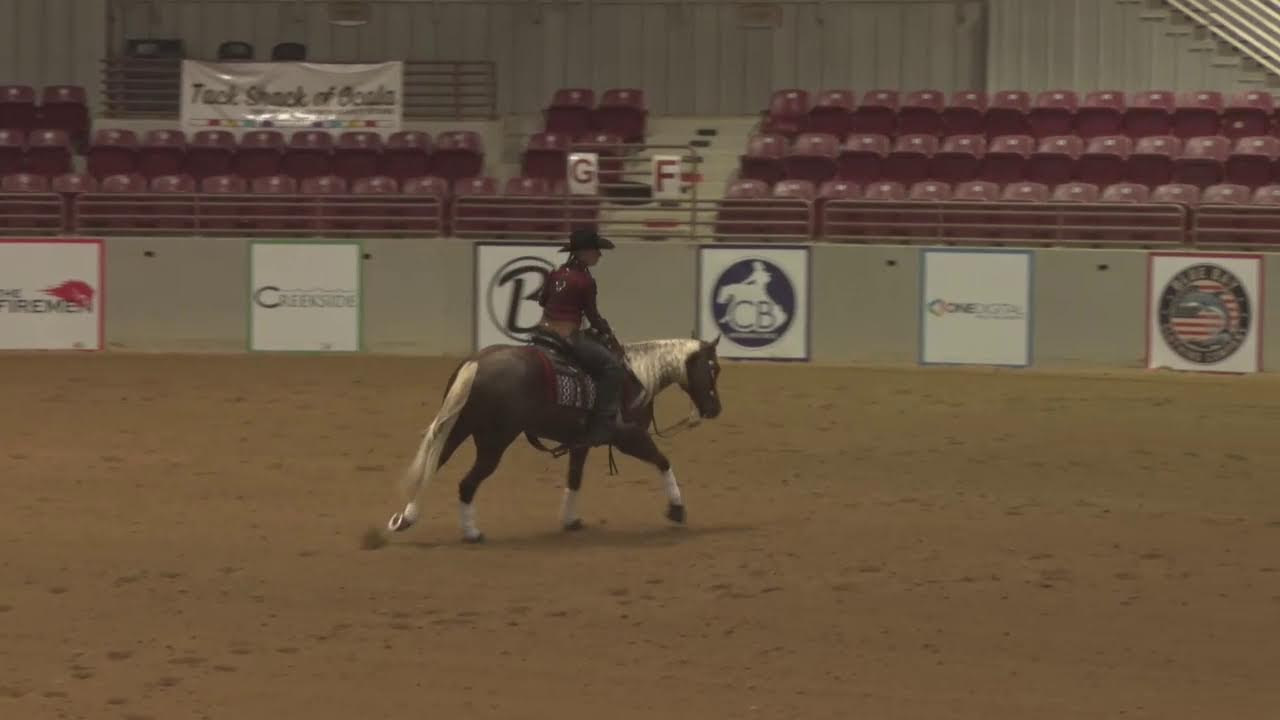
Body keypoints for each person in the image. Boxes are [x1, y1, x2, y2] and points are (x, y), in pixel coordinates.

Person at [536, 229, 634, 446]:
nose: (600, 255)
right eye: (596, 251)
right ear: (584, 253)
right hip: (567, 337)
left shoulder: (556, 274)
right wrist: (607, 330)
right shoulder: (585, 281)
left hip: (542, 333)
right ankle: (601, 426)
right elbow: (592, 316)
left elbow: (543, 301)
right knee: (612, 368)